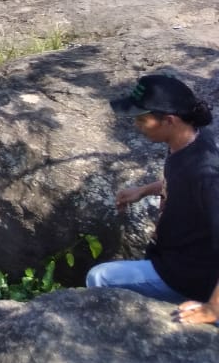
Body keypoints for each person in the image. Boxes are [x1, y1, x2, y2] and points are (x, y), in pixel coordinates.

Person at [85, 74, 219, 325]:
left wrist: (213, 308)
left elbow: (202, 184)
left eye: (141, 119)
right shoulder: (192, 139)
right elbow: (181, 183)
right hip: (170, 253)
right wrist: (145, 190)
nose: (135, 125)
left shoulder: (206, 174)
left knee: (99, 277)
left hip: (188, 274)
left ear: (169, 121)